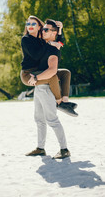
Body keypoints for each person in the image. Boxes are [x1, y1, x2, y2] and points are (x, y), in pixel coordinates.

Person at [26, 19, 72, 159]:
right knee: (39, 119)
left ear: (53, 33)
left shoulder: (53, 49)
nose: (43, 32)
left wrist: (36, 78)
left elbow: (52, 71)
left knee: (52, 120)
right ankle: (40, 148)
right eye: (43, 29)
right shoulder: (46, 45)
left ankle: (64, 150)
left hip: (46, 88)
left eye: (46, 30)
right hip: (39, 89)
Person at [20, 15, 77, 116]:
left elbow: (58, 43)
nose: (30, 26)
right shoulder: (26, 39)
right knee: (52, 76)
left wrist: (59, 30)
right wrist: (49, 44)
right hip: (28, 74)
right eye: (28, 24)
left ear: (39, 27)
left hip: (39, 71)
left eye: (33, 24)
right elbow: (36, 55)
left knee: (65, 73)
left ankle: (65, 101)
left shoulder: (41, 40)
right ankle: (60, 103)